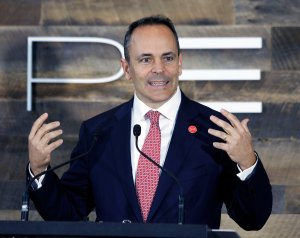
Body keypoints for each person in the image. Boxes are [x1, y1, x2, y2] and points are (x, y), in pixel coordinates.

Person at [27, 15, 272, 230]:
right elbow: (67, 212)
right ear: (126, 68)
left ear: (180, 63)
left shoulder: (214, 131)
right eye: (145, 59)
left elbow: (253, 219)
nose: (159, 69)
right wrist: (38, 170)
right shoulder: (98, 132)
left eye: (167, 58)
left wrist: (247, 161)